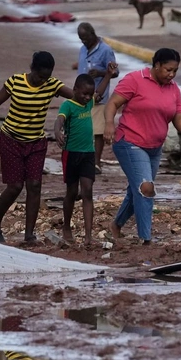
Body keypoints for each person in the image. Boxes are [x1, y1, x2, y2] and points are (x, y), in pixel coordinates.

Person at [0, 51, 73, 244]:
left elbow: (78, 96)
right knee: (15, 186)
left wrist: (94, 88)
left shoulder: (52, 85)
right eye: (40, 76)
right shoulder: (15, 82)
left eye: (47, 77)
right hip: (11, 139)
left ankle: (29, 234)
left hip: (36, 142)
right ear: (32, 69)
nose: (43, 80)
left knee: (34, 186)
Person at [104, 48, 181, 244]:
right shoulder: (135, 80)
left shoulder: (173, 88)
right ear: (156, 65)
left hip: (154, 148)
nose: (171, 75)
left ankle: (116, 225)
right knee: (146, 188)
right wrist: (108, 125)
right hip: (129, 142)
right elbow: (112, 103)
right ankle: (145, 239)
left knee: (137, 190)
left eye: (175, 71)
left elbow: (178, 116)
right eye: (168, 70)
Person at [54, 68, 117, 245]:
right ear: (75, 90)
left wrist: (107, 76)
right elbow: (59, 120)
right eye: (84, 94)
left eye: (89, 95)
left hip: (88, 154)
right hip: (71, 154)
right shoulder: (68, 105)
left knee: (87, 190)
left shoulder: (89, 103)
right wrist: (57, 131)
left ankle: (88, 236)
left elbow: (100, 92)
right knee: (72, 192)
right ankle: (66, 227)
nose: (88, 98)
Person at [75, 22, 118, 173]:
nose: (84, 42)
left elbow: (115, 72)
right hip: (81, 96)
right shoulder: (82, 49)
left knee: (98, 131)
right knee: (83, 128)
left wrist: (100, 73)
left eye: (86, 38)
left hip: (99, 95)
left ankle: (96, 163)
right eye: (81, 39)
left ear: (93, 34)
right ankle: (83, 160)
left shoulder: (106, 50)